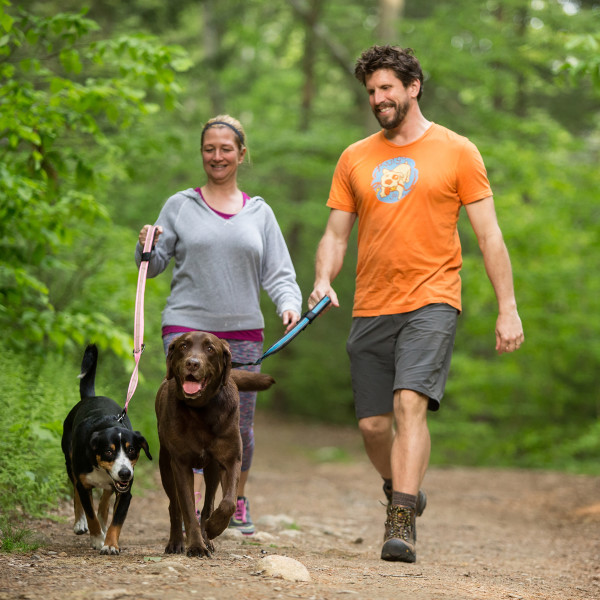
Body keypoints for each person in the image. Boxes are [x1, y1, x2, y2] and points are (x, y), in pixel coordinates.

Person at [308, 45, 524, 563]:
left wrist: (507, 307)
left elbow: (489, 236)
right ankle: (400, 486)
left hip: (433, 299)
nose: (378, 99)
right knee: (372, 426)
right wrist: (321, 279)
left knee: (410, 405)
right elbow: (336, 235)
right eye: (371, 91)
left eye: (386, 88)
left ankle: (400, 518)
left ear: (413, 87)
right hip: (371, 305)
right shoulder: (354, 157)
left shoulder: (457, 151)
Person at [136, 114, 302, 535]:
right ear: (202, 153)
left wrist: (289, 304)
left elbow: (279, 272)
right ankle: (189, 513)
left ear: (241, 155)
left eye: (226, 149)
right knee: (181, 419)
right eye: (209, 148)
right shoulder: (180, 205)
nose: (217, 156)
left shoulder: (260, 212)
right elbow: (153, 266)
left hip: (242, 333)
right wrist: (145, 247)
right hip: (185, 330)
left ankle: (234, 500)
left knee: (236, 425)